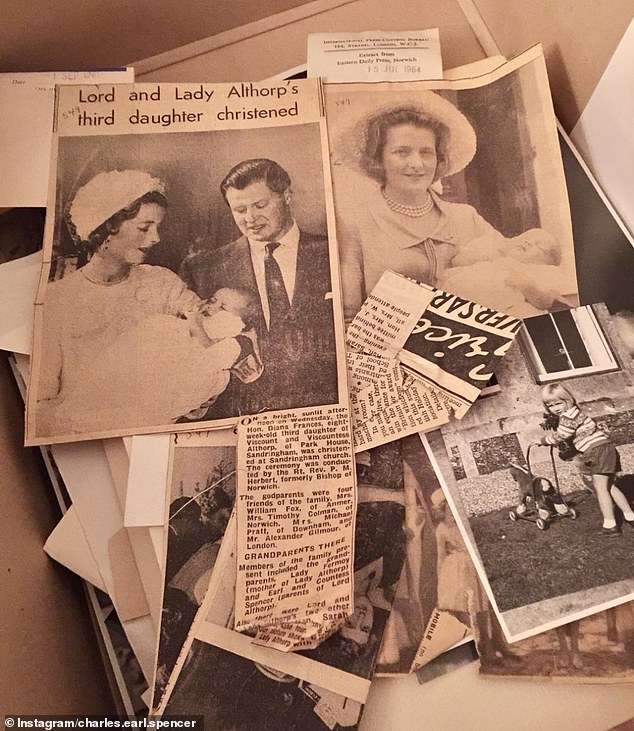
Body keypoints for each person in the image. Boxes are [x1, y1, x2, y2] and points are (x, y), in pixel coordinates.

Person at [33, 170, 241, 438]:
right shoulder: (57, 300)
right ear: (106, 227)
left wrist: (199, 389)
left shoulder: (162, 283)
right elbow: (42, 402)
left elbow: (208, 338)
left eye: (157, 227)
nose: (156, 238)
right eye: (144, 227)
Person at [180, 158, 338, 416]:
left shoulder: (333, 252)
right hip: (240, 413)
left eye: (260, 205)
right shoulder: (202, 270)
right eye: (239, 210)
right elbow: (183, 356)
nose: (250, 218)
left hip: (323, 409)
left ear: (287, 196)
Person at [334, 95, 502, 321]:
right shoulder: (355, 223)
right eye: (401, 152)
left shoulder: (466, 217)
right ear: (379, 159)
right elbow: (347, 316)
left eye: (426, 152)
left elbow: (512, 268)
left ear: (438, 159)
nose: (416, 164)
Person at [538, 383, 634, 536]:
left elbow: (561, 435)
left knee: (600, 488)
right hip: (605, 447)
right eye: (550, 405)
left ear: (568, 400)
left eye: (558, 403)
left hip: (596, 450)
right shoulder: (577, 412)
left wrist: (543, 440)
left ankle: (610, 525)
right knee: (609, 485)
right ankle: (630, 515)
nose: (555, 408)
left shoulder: (568, 416)